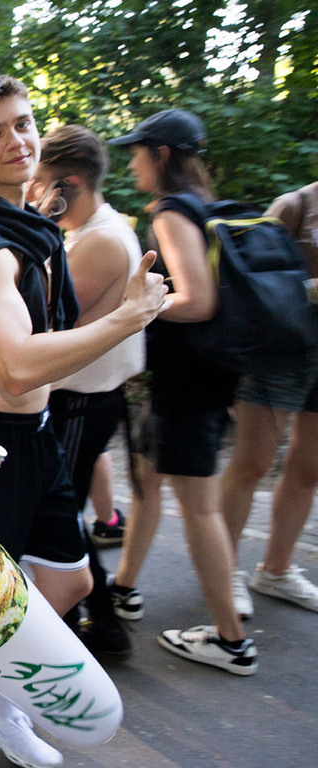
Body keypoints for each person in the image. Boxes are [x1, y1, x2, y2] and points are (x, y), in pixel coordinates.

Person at [0, 75, 167, 768]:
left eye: (22, 124)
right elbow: (17, 366)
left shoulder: (33, 228)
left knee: (70, 581)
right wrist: (128, 318)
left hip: (37, 432)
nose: (15, 141)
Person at [109, 108, 257, 675]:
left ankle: (231, 640)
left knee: (200, 509)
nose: (133, 165)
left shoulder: (171, 212)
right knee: (147, 477)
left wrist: (137, 307)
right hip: (195, 378)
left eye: (137, 153)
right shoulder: (204, 205)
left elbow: (197, 300)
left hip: (187, 383)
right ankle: (124, 587)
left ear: (162, 154)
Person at [29, 124, 146, 660]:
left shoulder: (100, 240)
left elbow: (44, 316)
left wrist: (34, 225)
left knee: (60, 517)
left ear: (69, 185)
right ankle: (83, 620)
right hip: (84, 397)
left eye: (41, 182)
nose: (34, 191)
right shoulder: (97, 231)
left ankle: (96, 627)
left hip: (80, 401)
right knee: (60, 513)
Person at [219, 178, 318, 616]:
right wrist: (311, 289)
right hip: (282, 350)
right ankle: (224, 571)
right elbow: (250, 284)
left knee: (309, 468)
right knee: (252, 464)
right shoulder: (296, 204)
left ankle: (276, 570)